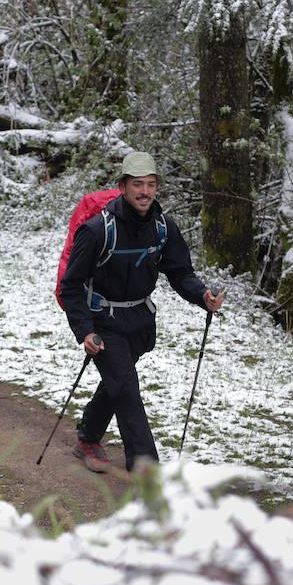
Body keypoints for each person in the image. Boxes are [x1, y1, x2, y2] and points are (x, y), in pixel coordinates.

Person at [60, 152, 224, 473]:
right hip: (103, 320)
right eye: (137, 185)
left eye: (150, 185)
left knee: (117, 383)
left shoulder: (163, 228)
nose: (145, 192)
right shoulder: (96, 231)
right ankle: (147, 471)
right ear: (122, 186)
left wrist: (203, 295)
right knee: (127, 389)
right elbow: (71, 285)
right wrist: (84, 331)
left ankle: (89, 437)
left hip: (139, 321)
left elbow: (180, 272)